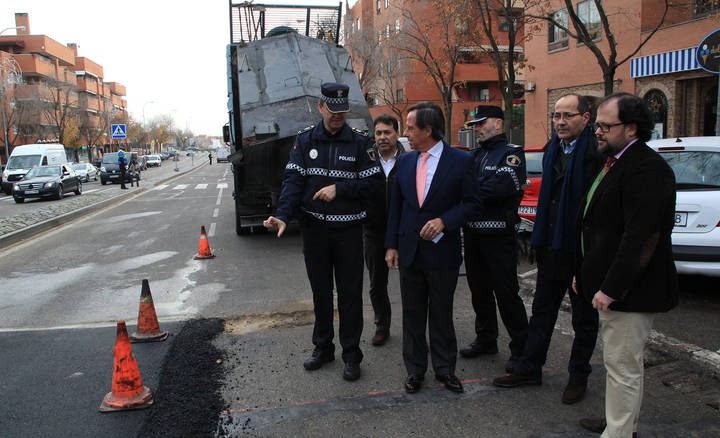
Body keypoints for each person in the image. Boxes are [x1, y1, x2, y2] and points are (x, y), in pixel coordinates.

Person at [263, 82, 382, 381]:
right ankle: (323, 348)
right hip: (314, 231)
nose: (338, 116)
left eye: (343, 111)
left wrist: (339, 189)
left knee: (350, 295)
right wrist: (282, 216)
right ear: (320, 107)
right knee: (320, 294)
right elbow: (293, 182)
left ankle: (351, 354)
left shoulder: (360, 143)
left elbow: (374, 185)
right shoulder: (304, 142)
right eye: (332, 110)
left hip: (349, 232)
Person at [577, 93, 678, 437]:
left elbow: (640, 238)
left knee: (623, 367)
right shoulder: (617, 162)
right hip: (609, 283)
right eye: (598, 125)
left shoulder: (647, 169)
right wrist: (585, 274)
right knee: (618, 364)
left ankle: (619, 432)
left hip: (631, 291)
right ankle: (620, 423)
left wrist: (611, 288)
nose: (599, 132)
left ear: (632, 129)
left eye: (606, 125)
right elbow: (600, 228)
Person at [493, 94, 604, 405]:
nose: (560, 122)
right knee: (542, 311)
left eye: (568, 115)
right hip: (552, 246)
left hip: (580, 250)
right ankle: (530, 368)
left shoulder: (595, 152)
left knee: (583, 319)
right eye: (556, 116)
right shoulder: (552, 149)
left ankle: (578, 376)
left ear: (586, 117)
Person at [385, 102, 480, 394]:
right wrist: (391, 246)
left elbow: (474, 204)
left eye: (411, 128)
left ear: (428, 130)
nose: (406, 134)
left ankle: (445, 369)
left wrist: (445, 221)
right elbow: (396, 208)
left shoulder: (461, 161)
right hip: (410, 252)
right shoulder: (406, 162)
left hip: (442, 255)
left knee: (441, 315)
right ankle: (415, 370)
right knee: (412, 316)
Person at [459, 105, 528, 373]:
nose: (475, 128)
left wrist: (471, 189)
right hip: (473, 235)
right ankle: (486, 339)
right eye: (474, 123)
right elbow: (465, 186)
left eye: (480, 123)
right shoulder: (473, 156)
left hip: (499, 237)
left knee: (507, 294)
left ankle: (521, 348)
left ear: (497, 124)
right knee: (479, 292)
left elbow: (499, 188)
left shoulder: (512, 155)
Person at [363, 114, 405, 346]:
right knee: (377, 285)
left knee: (412, 285)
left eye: (387, 132)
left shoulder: (409, 160)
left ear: (396, 134)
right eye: (378, 133)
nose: (382, 138)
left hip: (404, 233)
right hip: (374, 233)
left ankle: (414, 330)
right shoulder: (367, 161)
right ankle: (382, 325)